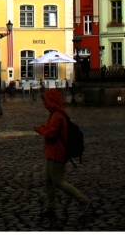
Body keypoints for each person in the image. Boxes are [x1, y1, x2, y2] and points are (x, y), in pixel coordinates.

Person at [34, 89, 90, 220]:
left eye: (46, 102)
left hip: (57, 152)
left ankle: (83, 200)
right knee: (47, 179)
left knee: (58, 181)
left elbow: (51, 134)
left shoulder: (57, 115)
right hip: (50, 152)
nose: (45, 105)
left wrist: (40, 130)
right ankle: (51, 208)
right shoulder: (54, 114)